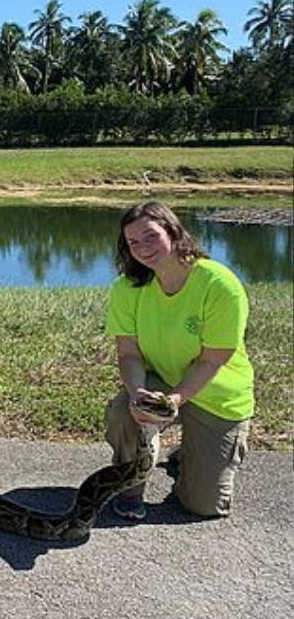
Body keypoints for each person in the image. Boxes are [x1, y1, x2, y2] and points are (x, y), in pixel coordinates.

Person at [104, 200, 253, 522]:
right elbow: (128, 353)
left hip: (216, 393)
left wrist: (175, 399)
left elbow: (213, 360)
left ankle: (184, 458)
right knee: (122, 413)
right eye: (133, 242)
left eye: (151, 236)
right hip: (160, 380)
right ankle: (129, 488)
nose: (143, 247)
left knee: (204, 507)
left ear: (173, 231)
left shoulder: (219, 285)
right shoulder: (127, 288)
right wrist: (136, 395)